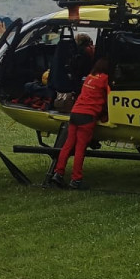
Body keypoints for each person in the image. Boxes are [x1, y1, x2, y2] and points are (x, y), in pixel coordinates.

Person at [46, 57, 110, 190]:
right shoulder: (105, 79)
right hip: (88, 115)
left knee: (68, 146)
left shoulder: (89, 77)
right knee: (80, 149)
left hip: (75, 112)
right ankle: (76, 179)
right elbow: (111, 97)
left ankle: (58, 173)